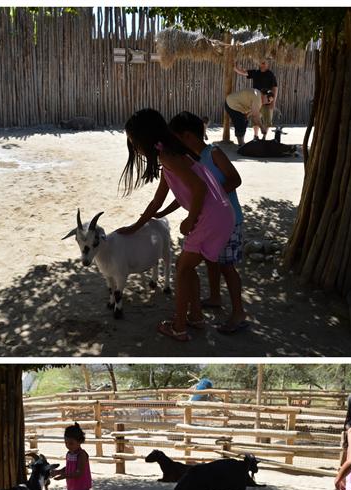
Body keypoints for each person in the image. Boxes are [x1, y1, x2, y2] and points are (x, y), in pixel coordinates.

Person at [116, 108, 235, 341]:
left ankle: (179, 327)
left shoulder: (168, 157)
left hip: (211, 217)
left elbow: (199, 188)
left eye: (134, 141)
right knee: (186, 266)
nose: (135, 147)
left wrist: (192, 218)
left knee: (181, 268)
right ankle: (196, 317)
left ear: (146, 138)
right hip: (219, 215)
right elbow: (158, 200)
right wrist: (136, 226)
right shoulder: (170, 155)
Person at [164, 111, 249, 333]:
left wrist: (213, 196)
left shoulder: (214, 154)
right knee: (213, 261)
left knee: (227, 267)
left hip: (229, 220)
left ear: (188, 136)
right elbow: (191, 193)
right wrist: (166, 209)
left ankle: (239, 313)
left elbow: (235, 179)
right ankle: (214, 297)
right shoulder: (192, 160)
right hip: (210, 222)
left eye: (176, 137)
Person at [234, 58, 278, 140]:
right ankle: (255, 136)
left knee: (267, 120)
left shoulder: (270, 74)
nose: (262, 65)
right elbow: (243, 72)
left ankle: (264, 137)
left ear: (267, 64)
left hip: (267, 101)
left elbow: (275, 88)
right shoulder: (255, 73)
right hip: (256, 100)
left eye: (264, 63)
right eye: (261, 63)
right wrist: (236, 69)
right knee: (255, 119)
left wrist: (273, 102)